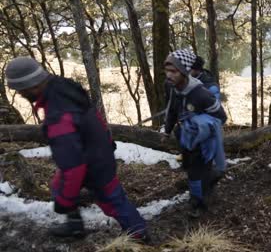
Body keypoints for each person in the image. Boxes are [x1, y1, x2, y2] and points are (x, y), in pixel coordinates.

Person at [5, 57, 147, 239]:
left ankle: (140, 235)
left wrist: (65, 201)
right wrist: (107, 141)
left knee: (113, 202)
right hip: (98, 151)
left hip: (95, 163)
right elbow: (95, 115)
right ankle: (75, 226)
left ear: (31, 85)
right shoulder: (64, 87)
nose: (21, 95)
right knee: (59, 185)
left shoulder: (58, 114)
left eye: (21, 90)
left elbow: (73, 166)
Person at [164, 49, 227, 218]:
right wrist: (167, 129)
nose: (169, 75)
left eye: (173, 71)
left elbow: (221, 116)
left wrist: (200, 123)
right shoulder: (174, 89)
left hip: (204, 140)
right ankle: (212, 178)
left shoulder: (201, 94)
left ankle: (198, 203)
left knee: (195, 172)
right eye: (167, 70)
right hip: (185, 136)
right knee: (188, 166)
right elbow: (172, 110)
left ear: (184, 71)